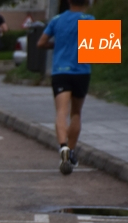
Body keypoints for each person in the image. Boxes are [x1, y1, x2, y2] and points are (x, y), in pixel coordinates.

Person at [37, 0, 94, 175]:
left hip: (60, 71)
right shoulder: (90, 19)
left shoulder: (57, 20)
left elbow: (41, 43)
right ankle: (72, 150)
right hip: (81, 71)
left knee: (61, 111)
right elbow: (97, 47)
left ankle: (63, 148)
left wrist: (56, 45)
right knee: (76, 113)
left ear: (68, 1)